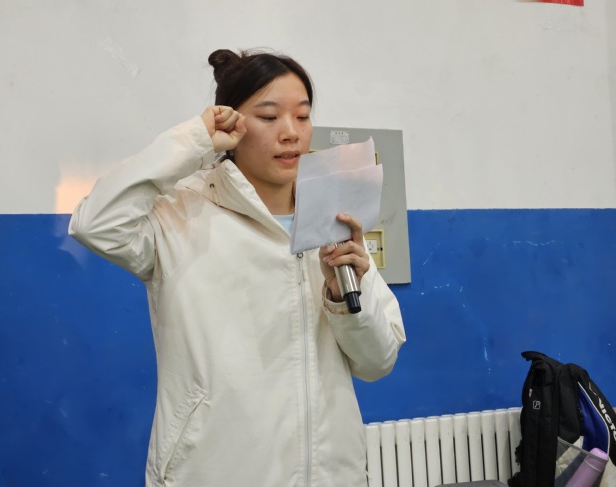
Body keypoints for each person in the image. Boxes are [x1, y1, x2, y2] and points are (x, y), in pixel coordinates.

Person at [69, 48, 406, 487]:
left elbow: (378, 362)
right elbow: (95, 224)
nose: (291, 133)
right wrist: (193, 141)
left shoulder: (333, 220)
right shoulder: (180, 214)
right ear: (230, 124)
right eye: (268, 117)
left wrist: (345, 301)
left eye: (303, 116)